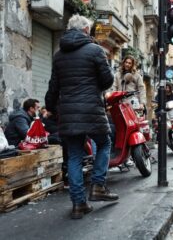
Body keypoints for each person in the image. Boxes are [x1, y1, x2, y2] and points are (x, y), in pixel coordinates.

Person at [45, 14, 118, 220]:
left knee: (75, 156)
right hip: (92, 110)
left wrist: (50, 107)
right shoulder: (95, 50)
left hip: (68, 113)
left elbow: (54, 86)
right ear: (86, 30)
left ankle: (79, 204)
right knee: (104, 144)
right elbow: (106, 81)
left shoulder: (58, 54)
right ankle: (98, 185)